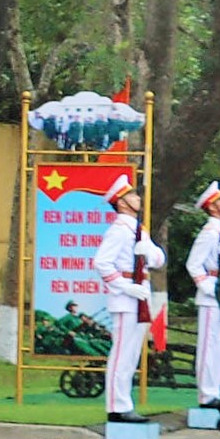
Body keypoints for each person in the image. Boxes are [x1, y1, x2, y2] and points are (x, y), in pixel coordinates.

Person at [92, 173, 156, 418]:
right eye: (131, 195)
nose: (137, 198)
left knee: (131, 355)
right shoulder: (119, 230)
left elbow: (158, 259)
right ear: (121, 202)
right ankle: (116, 407)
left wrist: (150, 253)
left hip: (140, 294)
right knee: (121, 353)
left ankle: (125, 403)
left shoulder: (139, 230)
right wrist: (124, 286)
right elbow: (102, 263)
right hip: (126, 295)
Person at [186, 181, 220, 426]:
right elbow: (193, 264)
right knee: (208, 346)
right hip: (211, 295)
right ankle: (207, 393)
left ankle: (218, 389)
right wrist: (210, 288)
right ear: (212, 206)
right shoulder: (209, 233)